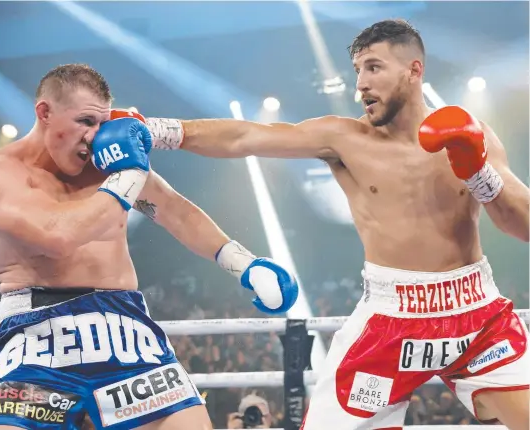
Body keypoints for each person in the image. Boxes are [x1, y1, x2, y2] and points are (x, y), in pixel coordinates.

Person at [130, 19, 530, 430]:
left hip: (476, 313)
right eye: (357, 70)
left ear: (414, 70)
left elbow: (523, 226)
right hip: (390, 319)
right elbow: (245, 136)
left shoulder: (471, 133)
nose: (361, 84)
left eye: (373, 67)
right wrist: (157, 130)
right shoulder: (345, 139)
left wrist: (479, 172)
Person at [0, 64, 299, 430]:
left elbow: (174, 211)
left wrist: (242, 262)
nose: (95, 136)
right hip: (37, 339)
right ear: (44, 112)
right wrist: (130, 174)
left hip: (125, 332)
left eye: (101, 123)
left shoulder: (104, 164)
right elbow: (58, 237)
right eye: (84, 121)